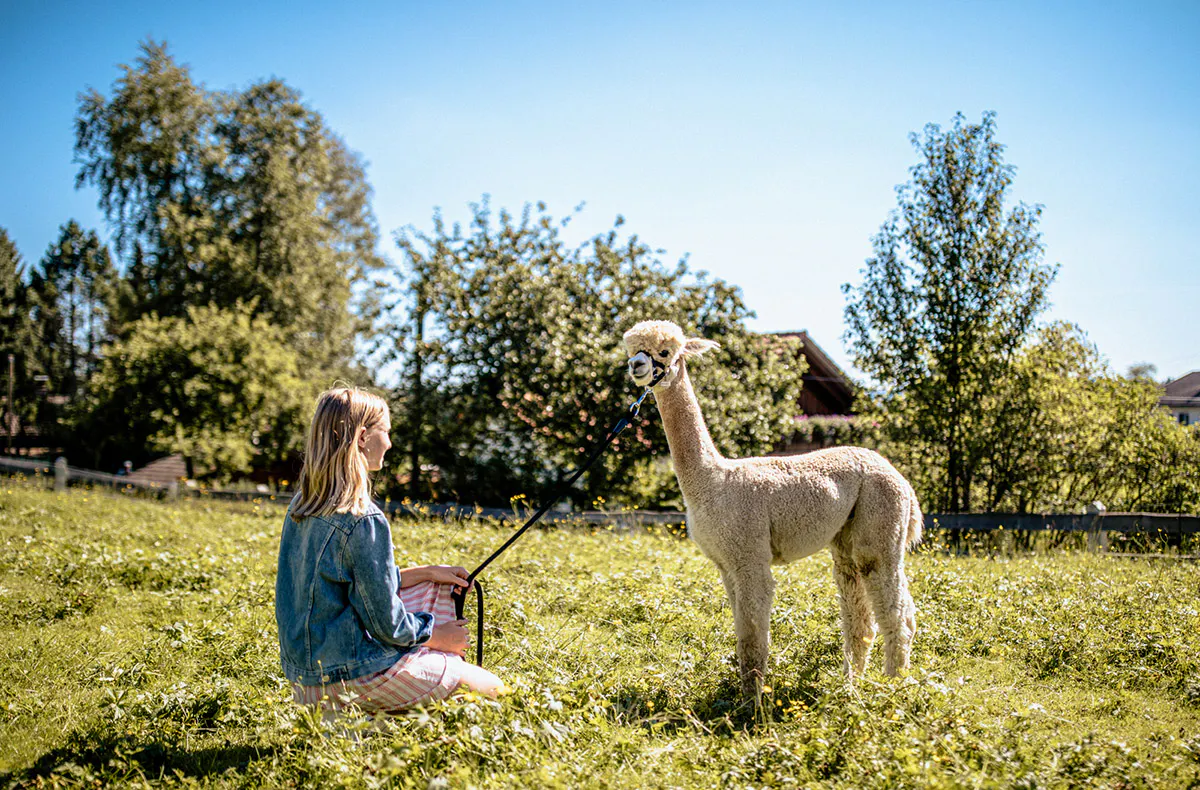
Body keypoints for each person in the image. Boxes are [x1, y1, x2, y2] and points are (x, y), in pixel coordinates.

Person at [275, 387, 505, 716]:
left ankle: (358, 722)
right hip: (352, 678)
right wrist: (439, 637)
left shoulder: (302, 507)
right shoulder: (363, 518)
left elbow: (342, 584)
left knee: (427, 590)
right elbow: (388, 625)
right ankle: (371, 710)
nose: (390, 443)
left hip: (306, 682)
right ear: (364, 437)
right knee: (493, 690)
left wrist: (427, 573)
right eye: (386, 432)